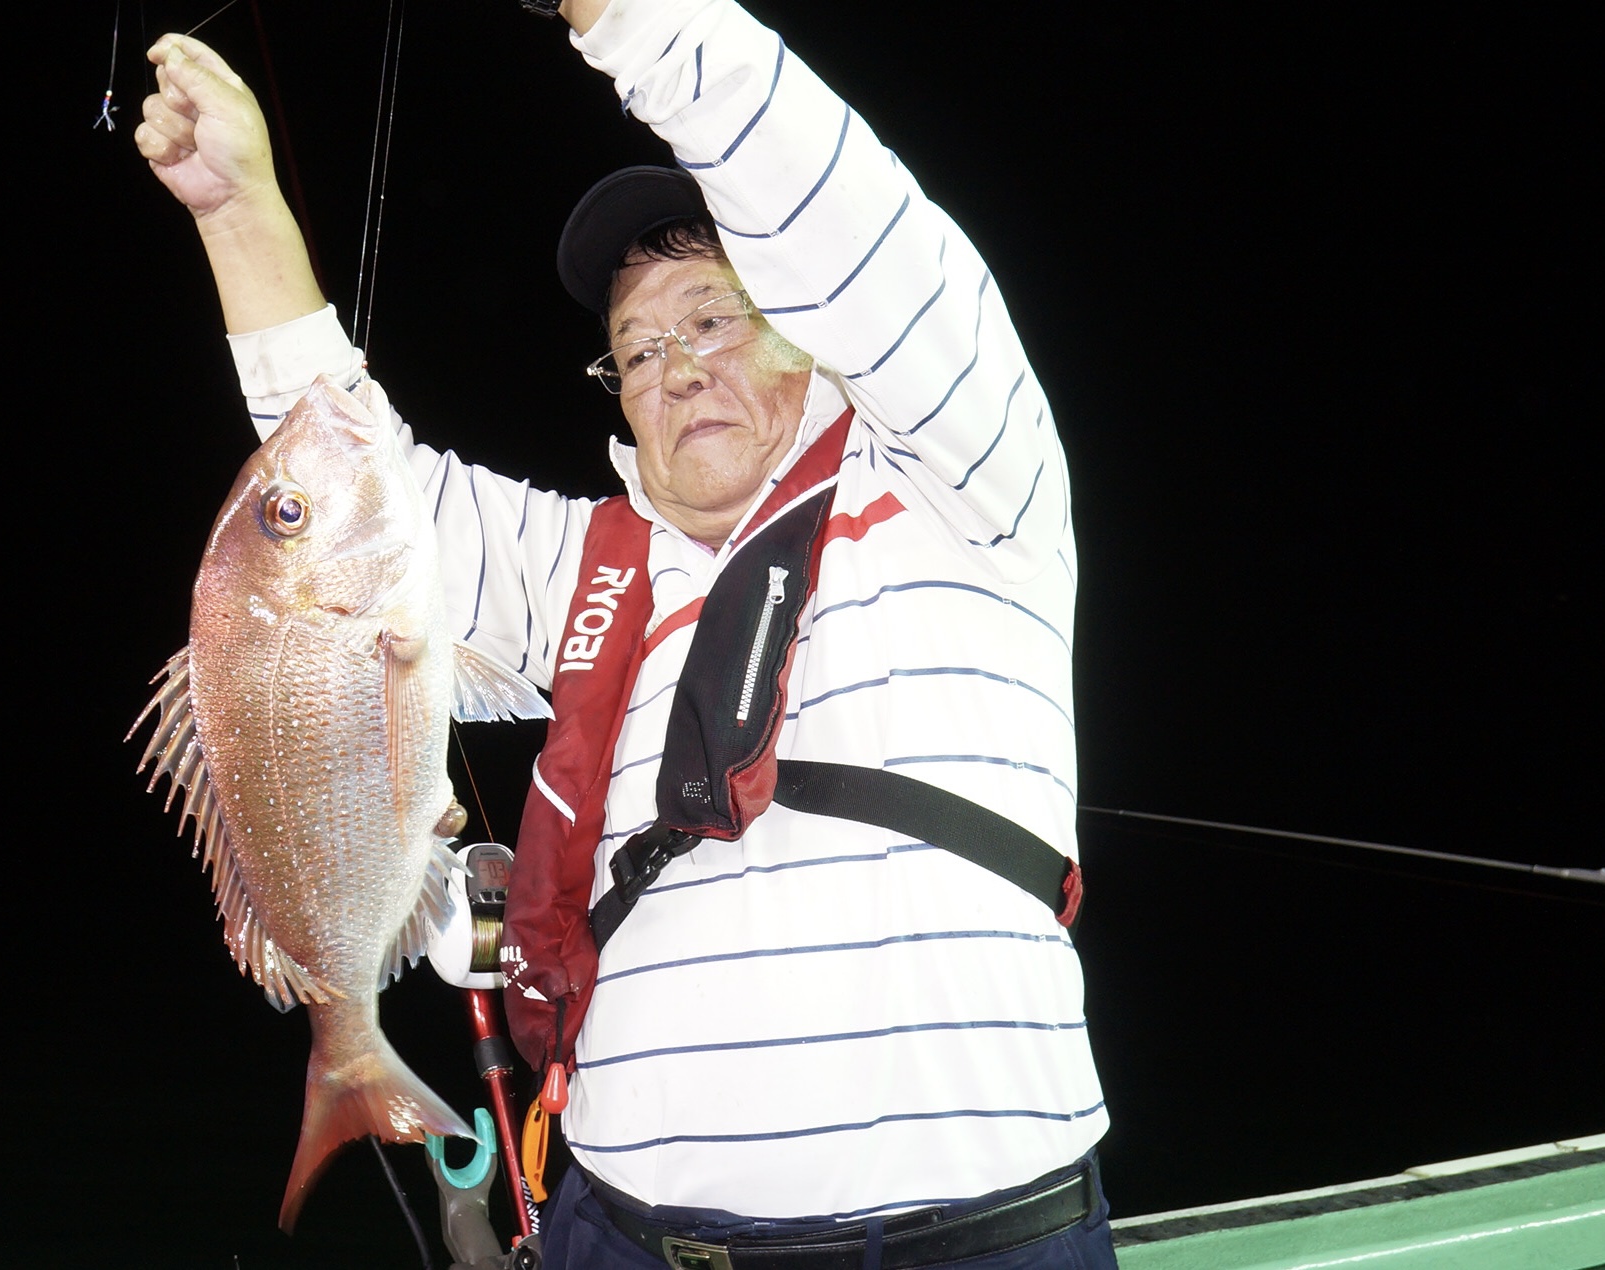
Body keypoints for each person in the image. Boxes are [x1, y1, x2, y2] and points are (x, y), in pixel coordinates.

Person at [136, 1, 1113, 1265]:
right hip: (621, 1237)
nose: (675, 366)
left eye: (714, 317)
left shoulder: (959, 477)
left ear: (809, 327)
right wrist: (239, 212)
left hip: (977, 1240)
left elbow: (838, 215)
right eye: (636, 350)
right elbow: (333, 499)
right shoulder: (589, 573)